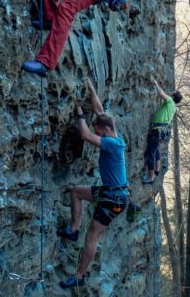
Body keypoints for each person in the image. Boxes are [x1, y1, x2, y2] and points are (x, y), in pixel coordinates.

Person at [57, 81, 128, 289]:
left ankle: (79, 276)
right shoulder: (114, 133)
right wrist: (91, 88)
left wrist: (79, 114)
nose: (98, 134)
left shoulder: (112, 143)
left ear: (105, 130)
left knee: (93, 235)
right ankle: (73, 229)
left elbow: (86, 135)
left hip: (114, 198)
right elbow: (99, 110)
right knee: (76, 192)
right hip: (111, 193)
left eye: (99, 131)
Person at [142, 76, 182, 184]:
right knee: (156, 149)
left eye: (172, 93)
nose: (170, 93)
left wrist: (155, 83)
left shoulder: (169, 101)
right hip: (162, 131)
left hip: (157, 130)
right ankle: (158, 168)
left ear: (172, 96)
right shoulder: (173, 107)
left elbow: (161, 94)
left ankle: (151, 177)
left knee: (150, 153)